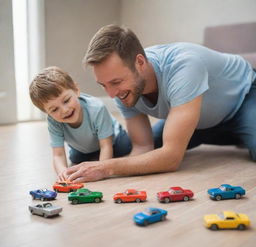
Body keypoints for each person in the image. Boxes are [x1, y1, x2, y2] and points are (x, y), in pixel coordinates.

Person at [65, 24, 256, 183]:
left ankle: (243, 132)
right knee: (148, 149)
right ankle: (240, 135)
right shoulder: (122, 90)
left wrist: (105, 168)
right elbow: (142, 148)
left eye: (116, 82)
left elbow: (171, 159)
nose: (112, 94)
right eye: (103, 85)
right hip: (197, 118)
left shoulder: (184, 66)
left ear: (140, 63)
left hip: (244, 96)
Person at [29, 66, 131, 181]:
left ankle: (99, 156)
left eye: (66, 100)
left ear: (76, 90)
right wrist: (63, 173)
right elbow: (58, 155)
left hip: (113, 141)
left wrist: (101, 169)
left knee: (124, 147)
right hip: (83, 148)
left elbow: (105, 145)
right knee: (76, 159)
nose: (64, 110)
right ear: (47, 113)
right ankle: (95, 156)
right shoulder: (53, 121)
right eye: (54, 110)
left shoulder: (96, 108)